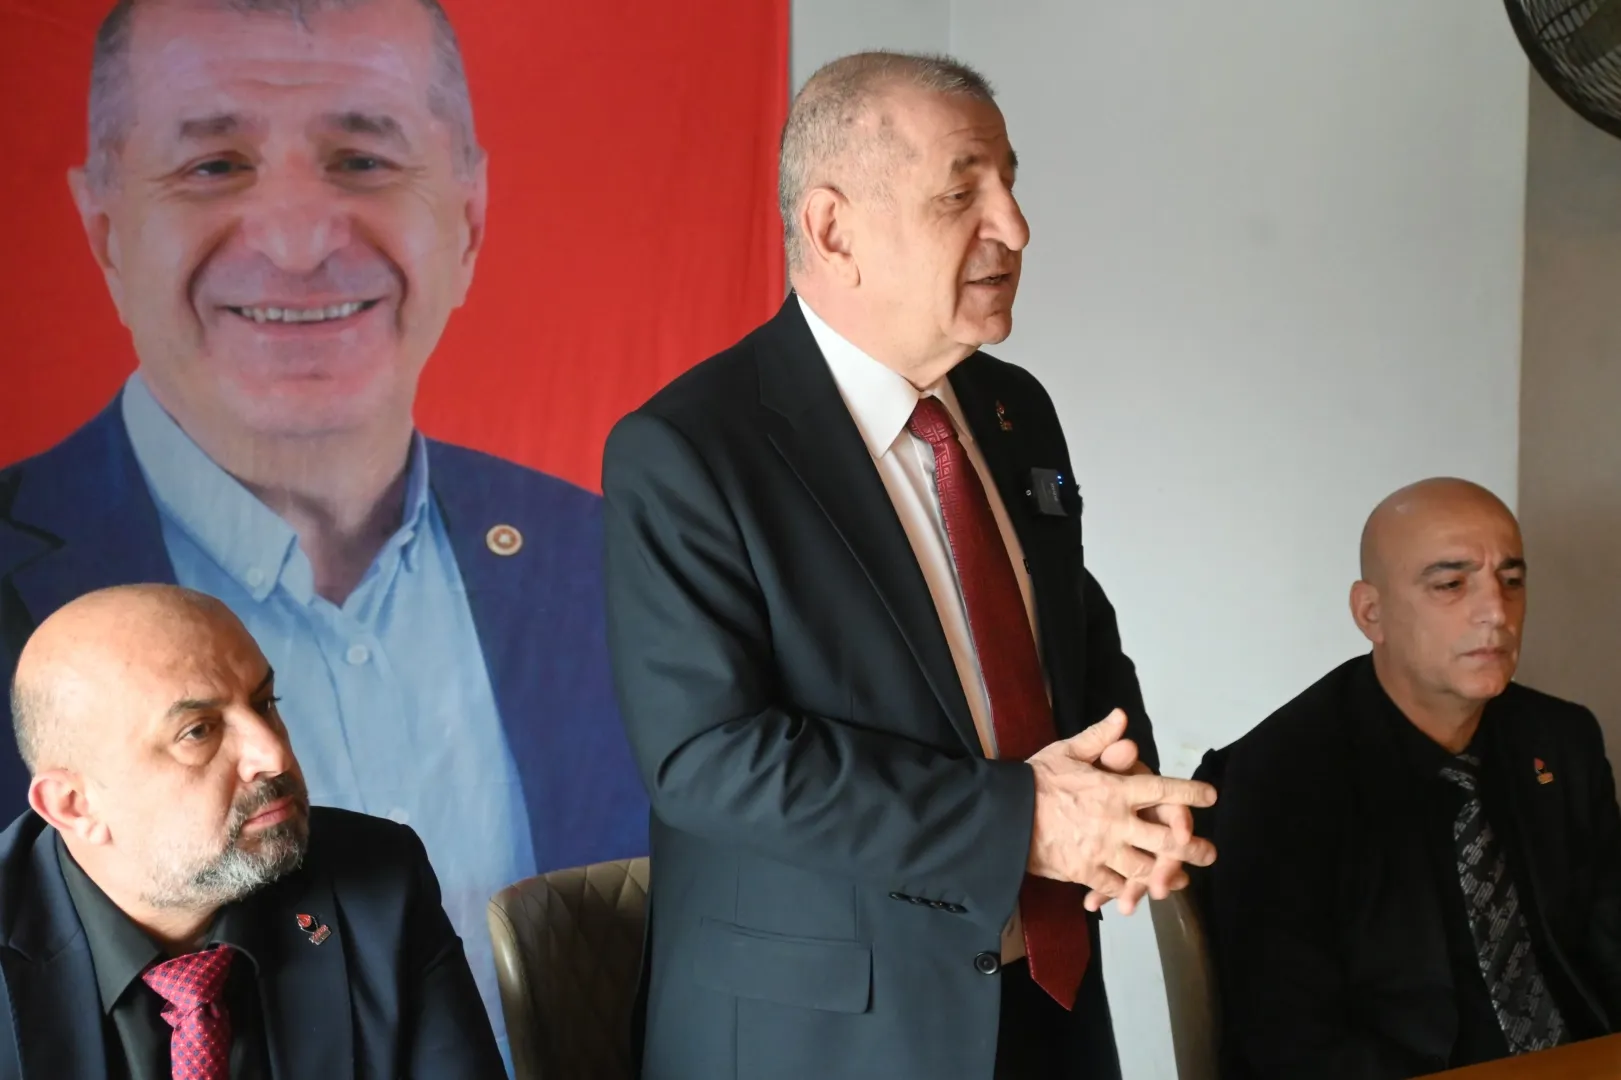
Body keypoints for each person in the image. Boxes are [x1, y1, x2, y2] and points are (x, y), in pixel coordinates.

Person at [0, 0, 648, 1053]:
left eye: (362, 159)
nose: (299, 243)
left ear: (469, 213)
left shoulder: (608, 560)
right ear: (104, 228)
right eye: (214, 165)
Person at [602, 51, 1217, 1080]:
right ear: (832, 229)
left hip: (1045, 997)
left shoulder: (1014, 411)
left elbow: (1068, 634)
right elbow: (708, 759)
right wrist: (1024, 822)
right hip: (832, 1035)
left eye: (1010, 183)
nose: (1014, 226)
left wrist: (1122, 796)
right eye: (960, 194)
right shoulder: (689, 449)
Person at [1197, 478, 1621, 1078]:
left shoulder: (1561, 740)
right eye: (1451, 585)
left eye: (1511, 581)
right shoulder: (1276, 779)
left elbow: (1610, 944)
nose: (1496, 612)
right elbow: (1288, 1039)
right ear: (1371, 613)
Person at [0, 583, 505, 1079]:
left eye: (264, 703)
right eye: (198, 730)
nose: (273, 754)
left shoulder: (377, 879)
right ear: (73, 805)